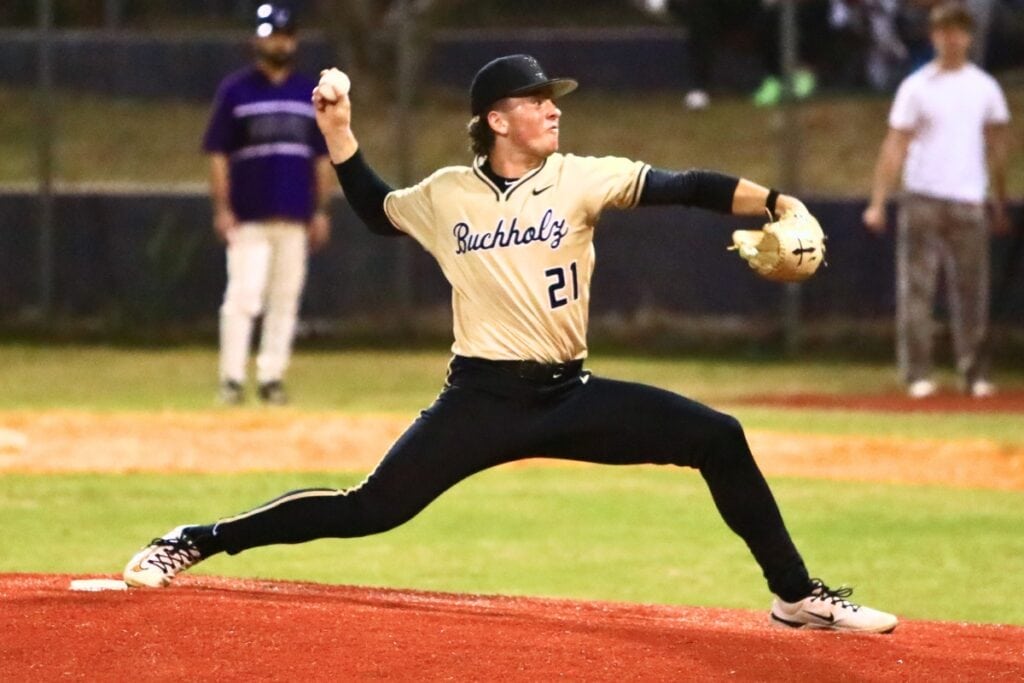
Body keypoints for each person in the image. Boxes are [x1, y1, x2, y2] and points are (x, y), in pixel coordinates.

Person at [124, 53, 898, 633]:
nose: (552, 110)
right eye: (536, 101)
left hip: (571, 394)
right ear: (498, 119)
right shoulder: (446, 196)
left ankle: (795, 596)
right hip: (481, 398)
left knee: (718, 437)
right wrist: (339, 133)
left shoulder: (581, 178)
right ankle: (197, 537)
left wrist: (774, 199)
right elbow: (372, 208)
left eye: (550, 100)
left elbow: (687, 184)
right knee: (369, 508)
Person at [863, 2, 1011, 399]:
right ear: (934, 36)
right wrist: (879, 200)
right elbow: (895, 145)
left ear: (969, 37)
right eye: (944, 31)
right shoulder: (917, 87)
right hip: (922, 197)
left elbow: (997, 146)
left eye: (959, 31)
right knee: (917, 290)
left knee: (972, 293)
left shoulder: (984, 88)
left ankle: (974, 372)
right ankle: (917, 373)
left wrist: (999, 200)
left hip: (967, 199)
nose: (952, 39)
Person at [203, 3, 334, 405]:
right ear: (256, 40)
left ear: (293, 40)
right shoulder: (235, 91)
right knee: (243, 299)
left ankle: (271, 377)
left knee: (284, 301)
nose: (278, 41)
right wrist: (223, 208)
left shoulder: (306, 93)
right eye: (270, 33)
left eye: (284, 34)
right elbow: (217, 152)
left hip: (294, 216)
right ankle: (231, 379)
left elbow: (321, 157)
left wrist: (321, 210)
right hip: (249, 216)